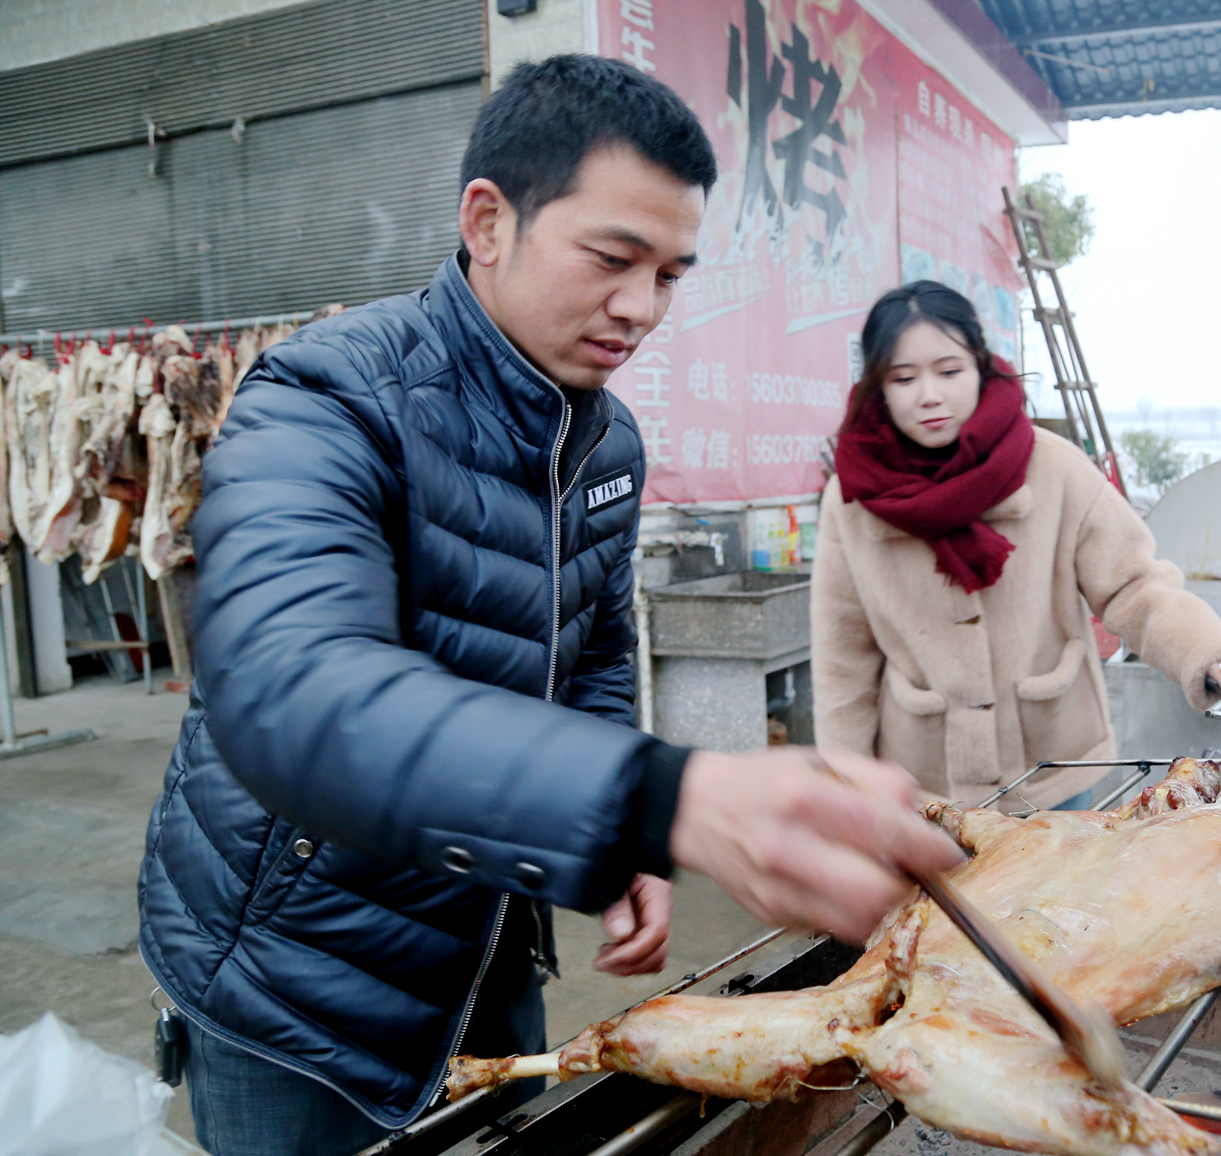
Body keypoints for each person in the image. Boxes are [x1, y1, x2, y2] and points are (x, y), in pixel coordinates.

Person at [138, 57, 960, 1156]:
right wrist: (659, 800)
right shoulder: (324, 395)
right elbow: (292, 690)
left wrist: (624, 840)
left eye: (670, 274)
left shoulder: (604, 439)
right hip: (293, 983)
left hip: (484, 933)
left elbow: (594, 654)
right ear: (488, 221)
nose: (641, 309)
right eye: (612, 259)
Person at [811, 281, 1221, 810]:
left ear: (980, 366)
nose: (929, 394)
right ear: (879, 386)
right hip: (923, 785)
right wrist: (847, 786)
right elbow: (843, 653)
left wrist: (1207, 648)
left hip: (1051, 770)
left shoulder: (1054, 467)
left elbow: (1134, 585)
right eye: (903, 377)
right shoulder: (854, 496)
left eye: (949, 371)